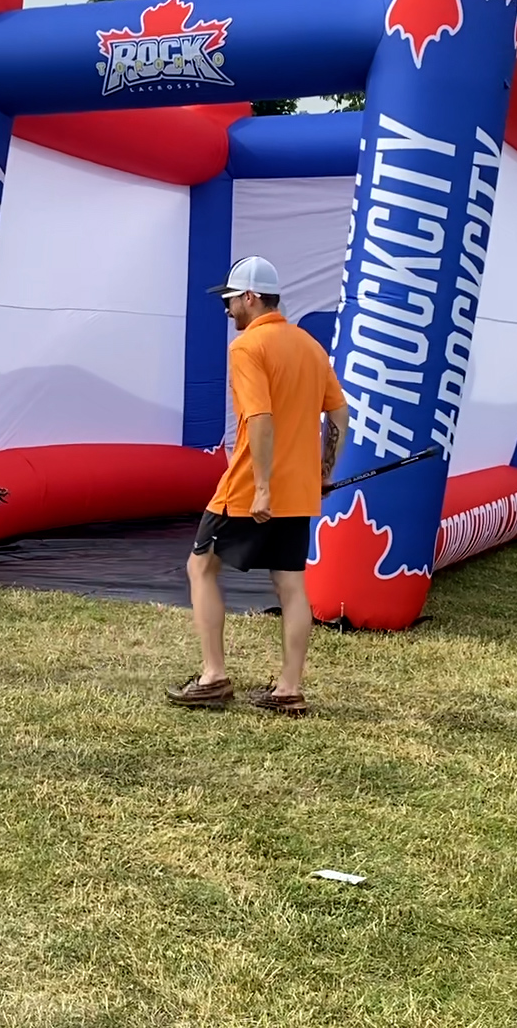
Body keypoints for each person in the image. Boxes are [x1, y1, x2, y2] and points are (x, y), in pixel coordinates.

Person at [167, 256, 344, 717]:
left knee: (200, 567)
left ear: (250, 297)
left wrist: (261, 486)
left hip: (248, 485)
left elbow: (260, 419)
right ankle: (289, 689)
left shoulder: (247, 348)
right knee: (291, 584)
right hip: (299, 486)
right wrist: (323, 471)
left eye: (230, 299)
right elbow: (339, 415)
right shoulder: (308, 345)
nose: (226, 308)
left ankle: (213, 676)